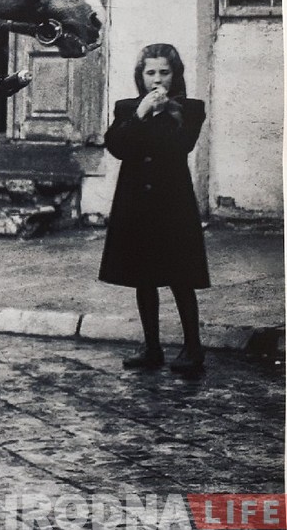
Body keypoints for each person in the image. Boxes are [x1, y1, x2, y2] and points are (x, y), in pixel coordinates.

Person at [99, 43, 208, 376]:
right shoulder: (126, 109)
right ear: (140, 76)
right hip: (135, 204)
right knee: (142, 277)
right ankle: (152, 346)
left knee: (180, 276)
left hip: (172, 204)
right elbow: (117, 146)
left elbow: (180, 145)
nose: (157, 79)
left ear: (175, 76)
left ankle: (193, 347)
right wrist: (140, 114)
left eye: (164, 72)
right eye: (150, 73)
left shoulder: (188, 109)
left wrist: (164, 116)